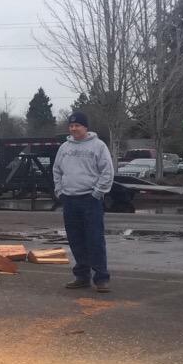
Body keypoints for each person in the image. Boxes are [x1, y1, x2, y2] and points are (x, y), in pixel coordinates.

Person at [52, 112, 115, 293]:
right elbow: (57, 170)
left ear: (85, 127)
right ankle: (82, 277)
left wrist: (98, 193)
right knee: (76, 239)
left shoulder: (98, 146)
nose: (74, 129)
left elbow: (107, 171)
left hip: (90, 199)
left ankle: (101, 278)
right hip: (69, 200)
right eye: (71, 126)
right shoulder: (64, 148)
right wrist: (59, 190)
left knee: (95, 239)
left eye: (77, 125)